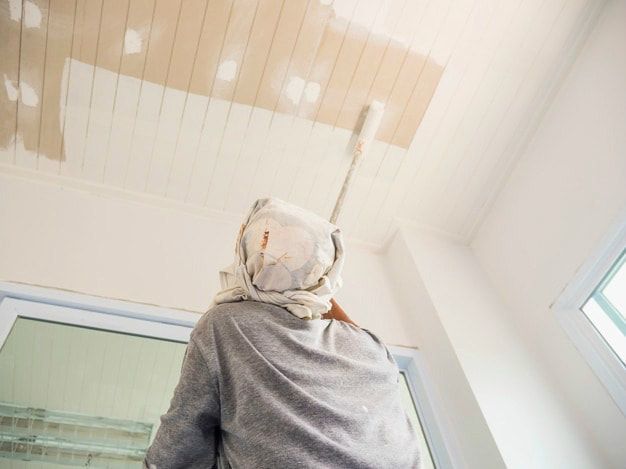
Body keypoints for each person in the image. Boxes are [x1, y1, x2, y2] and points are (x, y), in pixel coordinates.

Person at [145, 198, 421, 468]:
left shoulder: (226, 324)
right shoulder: (371, 347)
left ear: (245, 251)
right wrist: (318, 289)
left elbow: (180, 445)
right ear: (327, 271)